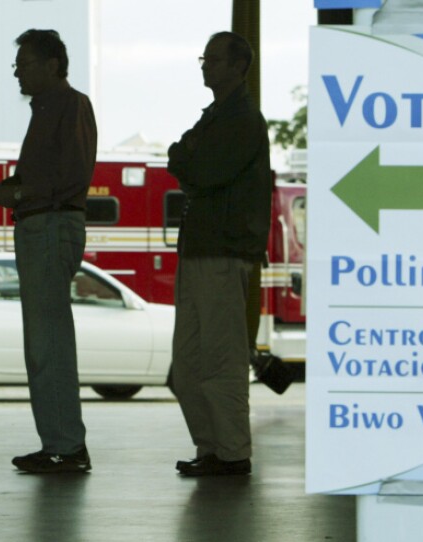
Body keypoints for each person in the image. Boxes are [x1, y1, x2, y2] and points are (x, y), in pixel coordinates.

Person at [0, 29, 97, 474]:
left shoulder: (68, 106)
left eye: (25, 63)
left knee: (47, 341)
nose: (18, 71)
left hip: (49, 223)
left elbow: (68, 174)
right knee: (43, 341)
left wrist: (15, 192)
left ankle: (66, 446)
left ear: (53, 65)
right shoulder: (50, 109)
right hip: (43, 223)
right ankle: (59, 441)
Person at [166, 32, 271, 477]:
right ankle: (211, 447)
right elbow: (181, 155)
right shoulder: (218, 117)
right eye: (203, 58)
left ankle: (231, 453)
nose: (204, 65)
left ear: (236, 66)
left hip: (223, 252)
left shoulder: (243, 120)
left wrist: (187, 157)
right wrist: (186, 156)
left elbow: (203, 170)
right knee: (187, 366)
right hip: (199, 251)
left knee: (222, 360)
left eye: (212, 59)